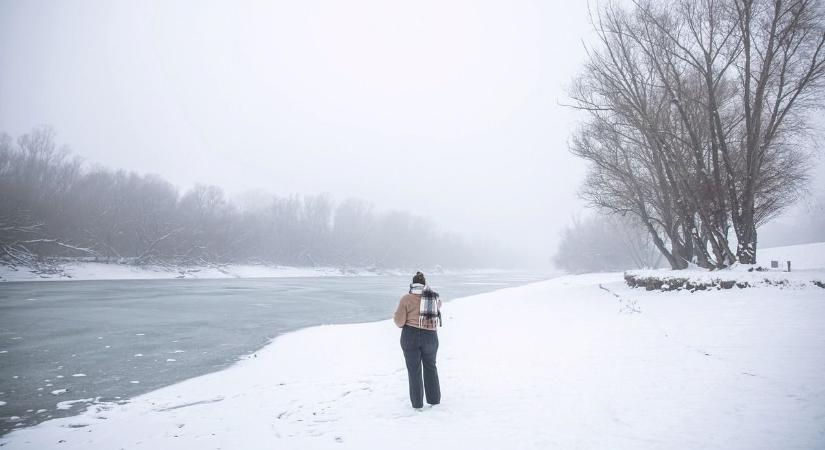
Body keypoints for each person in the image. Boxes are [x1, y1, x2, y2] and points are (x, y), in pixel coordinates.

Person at [393, 271, 442, 409]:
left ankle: (417, 404)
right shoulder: (434, 298)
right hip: (430, 337)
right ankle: (434, 400)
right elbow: (437, 311)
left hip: (410, 336)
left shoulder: (406, 299)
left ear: (412, 284)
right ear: (424, 284)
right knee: (430, 367)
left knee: (414, 370)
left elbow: (399, 321)